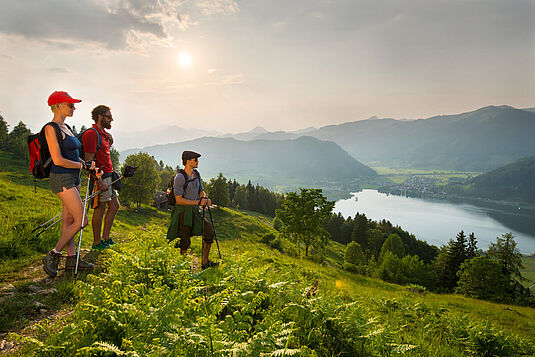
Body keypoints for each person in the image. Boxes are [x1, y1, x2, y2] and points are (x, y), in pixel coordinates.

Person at [42, 91, 95, 277]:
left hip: (74, 178)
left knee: (70, 220)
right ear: (57, 106)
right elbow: (57, 159)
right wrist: (82, 164)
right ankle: (54, 254)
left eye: (73, 105)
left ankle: (72, 260)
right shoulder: (51, 128)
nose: (73, 107)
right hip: (62, 178)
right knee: (82, 220)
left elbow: (72, 154)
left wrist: (87, 165)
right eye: (69, 104)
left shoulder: (67, 127)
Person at [167, 151, 219, 269]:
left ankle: (205, 263)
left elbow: (201, 190)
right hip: (182, 212)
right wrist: (198, 202)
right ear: (188, 161)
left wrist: (204, 198)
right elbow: (179, 200)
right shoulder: (179, 178)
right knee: (184, 242)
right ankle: (183, 266)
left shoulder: (196, 174)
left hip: (194, 211)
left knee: (209, 233)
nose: (197, 162)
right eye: (195, 160)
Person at [81, 105, 119, 251]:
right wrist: (99, 181)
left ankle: (106, 238)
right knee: (100, 208)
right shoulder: (91, 134)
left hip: (110, 176)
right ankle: (97, 243)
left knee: (114, 206)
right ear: (99, 117)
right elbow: (89, 162)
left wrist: (110, 142)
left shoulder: (103, 134)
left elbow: (103, 154)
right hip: (101, 178)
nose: (112, 119)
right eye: (109, 116)